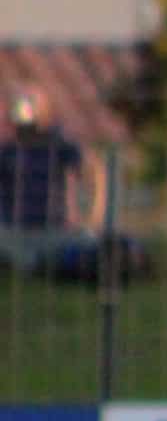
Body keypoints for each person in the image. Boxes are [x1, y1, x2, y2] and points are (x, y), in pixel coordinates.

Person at [0, 90, 135, 283]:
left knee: (94, 247)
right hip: (14, 232)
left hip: (55, 231)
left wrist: (96, 216)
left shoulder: (59, 146)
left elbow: (96, 171)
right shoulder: (7, 151)